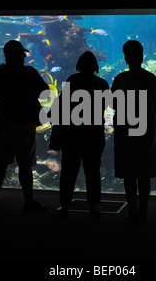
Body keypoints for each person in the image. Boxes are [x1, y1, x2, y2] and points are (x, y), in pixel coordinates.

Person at [0, 40, 49, 213]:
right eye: (23, 53)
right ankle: (28, 203)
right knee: (25, 164)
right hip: (25, 123)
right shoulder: (29, 72)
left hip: (6, 122)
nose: (24, 56)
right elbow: (44, 93)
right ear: (20, 55)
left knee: (0, 163)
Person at [49, 51, 109, 219]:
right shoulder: (102, 83)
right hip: (94, 134)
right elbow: (103, 107)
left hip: (72, 134)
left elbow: (62, 105)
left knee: (68, 172)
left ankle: (65, 205)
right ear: (95, 67)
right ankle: (94, 206)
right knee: (93, 172)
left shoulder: (72, 80)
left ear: (79, 66)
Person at [111, 40, 156, 222]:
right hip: (146, 129)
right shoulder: (150, 78)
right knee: (144, 172)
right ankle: (143, 212)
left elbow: (113, 104)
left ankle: (132, 212)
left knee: (129, 172)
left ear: (125, 58)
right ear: (142, 57)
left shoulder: (120, 79)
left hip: (125, 130)